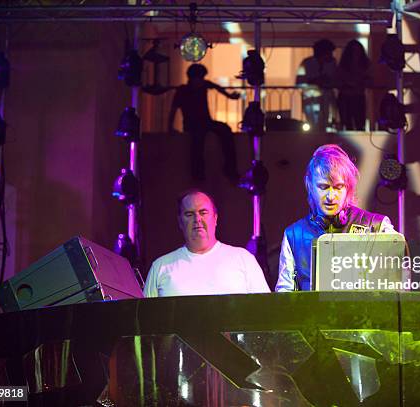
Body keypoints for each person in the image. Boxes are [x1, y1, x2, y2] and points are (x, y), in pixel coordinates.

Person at [275, 144, 396, 291]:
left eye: (338, 187)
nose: (331, 197)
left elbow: (396, 287)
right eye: (323, 187)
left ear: (349, 187)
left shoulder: (378, 226)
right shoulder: (293, 235)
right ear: (309, 185)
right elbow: (284, 295)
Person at [143, 189, 270, 297]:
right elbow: (145, 319)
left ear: (215, 218)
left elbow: (264, 312)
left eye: (203, 212)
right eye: (189, 214)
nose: (197, 219)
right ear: (180, 222)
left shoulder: (243, 259)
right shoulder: (160, 267)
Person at [168, 64, 241, 182]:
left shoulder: (202, 86)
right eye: (200, 78)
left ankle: (229, 167)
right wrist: (169, 127)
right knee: (197, 143)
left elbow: (216, 87)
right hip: (192, 125)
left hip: (206, 122)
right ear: (192, 78)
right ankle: (198, 174)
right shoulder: (182, 90)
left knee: (225, 130)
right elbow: (173, 109)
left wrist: (230, 96)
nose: (201, 81)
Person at [296, 39, 337, 131]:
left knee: (325, 121)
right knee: (312, 124)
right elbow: (299, 81)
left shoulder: (332, 63)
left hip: (326, 98)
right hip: (311, 98)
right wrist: (313, 81)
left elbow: (335, 79)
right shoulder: (307, 63)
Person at [336, 39, 371, 130]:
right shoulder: (343, 66)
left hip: (358, 96)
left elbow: (369, 78)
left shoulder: (365, 64)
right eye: (353, 51)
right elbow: (339, 80)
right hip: (346, 97)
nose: (356, 53)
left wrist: (360, 81)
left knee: (359, 121)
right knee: (347, 122)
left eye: (357, 51)